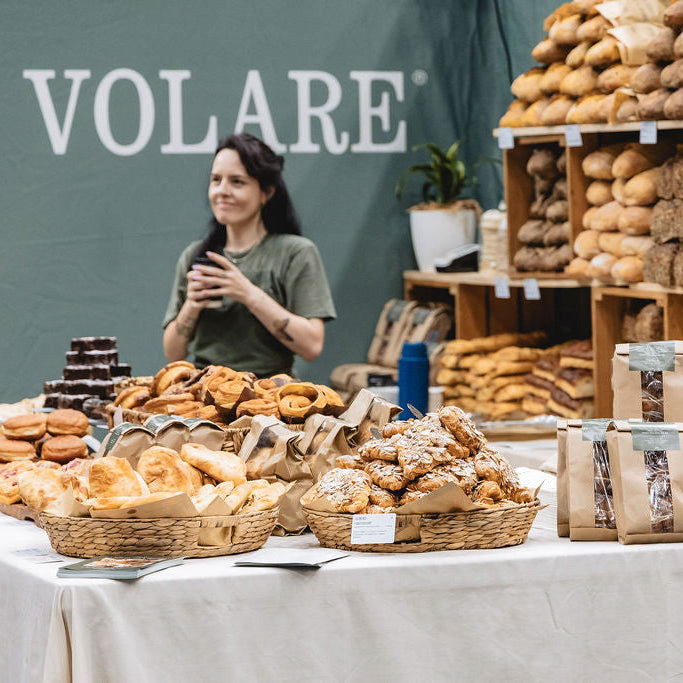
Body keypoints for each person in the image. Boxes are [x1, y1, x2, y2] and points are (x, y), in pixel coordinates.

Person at [163, 133, 336, 377]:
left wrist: (248, 294)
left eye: (237, 182)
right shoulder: (196, 257)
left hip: (271, 397)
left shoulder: (296, 253)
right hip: (204, 395)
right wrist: (192, 305)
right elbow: (173, 353)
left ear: (266, 192)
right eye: (216, 180)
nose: (222, 191)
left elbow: (312, 346)